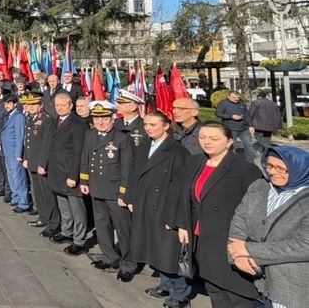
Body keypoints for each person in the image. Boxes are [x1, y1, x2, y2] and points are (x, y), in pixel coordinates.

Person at [176, 122, 262, 308]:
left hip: (229, 240)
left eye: (214, 139)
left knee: (236, 293)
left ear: (229, 142)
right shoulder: (194, 162)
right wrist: (183, 224)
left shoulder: (245, 170)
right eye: (203, 137)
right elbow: (186, 198)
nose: (207, 142)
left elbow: (257, 212)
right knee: (214, 289)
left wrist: (248, 246)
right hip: (201, 237)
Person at [228, 146, 309, 308]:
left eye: (281, 168)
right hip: (257, 282)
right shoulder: (260, 186)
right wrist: (237, 252)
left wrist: (248, 249)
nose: (272, 172)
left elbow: (304, 245)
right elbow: (240, 219)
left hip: (291, 287)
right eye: (269, 165)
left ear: (299, 169)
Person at [125, 111, 190, 308]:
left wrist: (175, 216)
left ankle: (180, 294)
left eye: (153, 125)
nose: (149, 128)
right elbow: (135, 172)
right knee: (153, 247)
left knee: (168, 252)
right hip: (144, 203)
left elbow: (180, 186)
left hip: (164, 206)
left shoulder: (177, 151)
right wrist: (130, 197)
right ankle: (165, 284)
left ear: (166, 126)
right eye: (146, 125)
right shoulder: (145, 145)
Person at [78, 101, 136, 281]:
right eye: (96, 118)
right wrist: (84, 180)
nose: (100, 122)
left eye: (104, 118)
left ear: (112, 118)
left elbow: (128, 168)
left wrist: (123, 193)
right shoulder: (90, 134)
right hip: (96, 187)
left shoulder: (122, 138)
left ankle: (129, 263)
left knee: (123, 229)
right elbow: (85, 157)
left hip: (115, 190)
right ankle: (110, 256)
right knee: (102, 225)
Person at [45, 92, 87, 254]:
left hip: (69, 173)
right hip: (57, 171)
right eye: (57, 105)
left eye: (63, 105)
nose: (60, 108)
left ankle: (79, 240)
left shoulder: (78, 124)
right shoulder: (56, 121)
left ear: (71, 106)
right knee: (63, 205)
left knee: (77, 208)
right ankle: (67, 231)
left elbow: (78, 152)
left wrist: (73, 176)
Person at [21, 90, 57, 231]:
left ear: (40, 105)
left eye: (33, 105)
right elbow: (28, 141)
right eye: (28, 105)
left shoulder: (47, 120)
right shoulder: (31, 118)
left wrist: (43, 164)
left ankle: (53, 222)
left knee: (47, 194)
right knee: (37, 193)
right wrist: (25, 158)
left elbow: (47, 144)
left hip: (41, 164)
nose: (30, 107)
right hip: (32, 161)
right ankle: (42, 217)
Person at [1, 94, 31, 213]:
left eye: (9, 103)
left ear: (14, 104)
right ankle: (16, 197)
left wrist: (19, 153)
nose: (7, 106)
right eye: (5, 103)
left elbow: (20, 135)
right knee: (12, 177)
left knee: (19, 177)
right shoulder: (10, 115)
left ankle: (23, 202)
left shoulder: (18, 116)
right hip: (8, 152)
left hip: (15, 153)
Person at [216, 91, 255, 163]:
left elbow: (246, 114)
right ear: (228, 97)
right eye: (234, 97)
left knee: (248, 145)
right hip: (230, 128)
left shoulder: (241, 103)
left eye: (238, 97)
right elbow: (218, 114)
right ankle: (233, 162)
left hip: (244, 128)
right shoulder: (223, 103)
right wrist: (231, 116)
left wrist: (251, 125)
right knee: (231, 146)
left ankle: (250, 163)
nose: (237, 99)